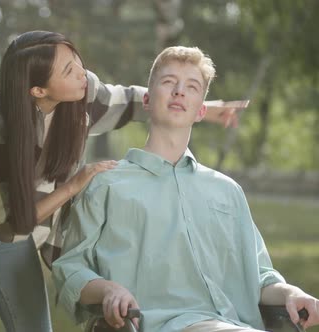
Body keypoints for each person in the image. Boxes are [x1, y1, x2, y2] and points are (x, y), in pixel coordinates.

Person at [0, 31, 247, 332]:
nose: (82, 74)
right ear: (39, 90)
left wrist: (197, 103)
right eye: (68, 70)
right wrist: (73, 186)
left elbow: (132, 100)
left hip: (16, 224)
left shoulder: (80, 93)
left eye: (77, 62)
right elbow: (8, 226)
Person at [51, 46, 319, 332]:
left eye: (191, 87)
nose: (179, 91)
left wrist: (291, 293)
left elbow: (260, 276)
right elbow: (70, 268)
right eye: (168, 82)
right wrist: (108, 290)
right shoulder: (106, 184)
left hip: (237, 324)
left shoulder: (227, 191)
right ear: (146, 99)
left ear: (202, 110)